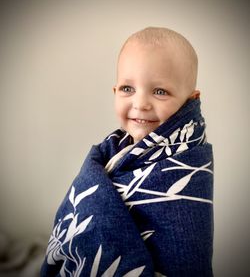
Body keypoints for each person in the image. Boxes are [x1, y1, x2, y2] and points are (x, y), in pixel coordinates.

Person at [41, 27, 214, 277]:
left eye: (159, 91)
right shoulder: (115, 149)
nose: (140, 103)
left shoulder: (188, 162)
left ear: (190, 100)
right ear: (114, 92)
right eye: (127, 89)